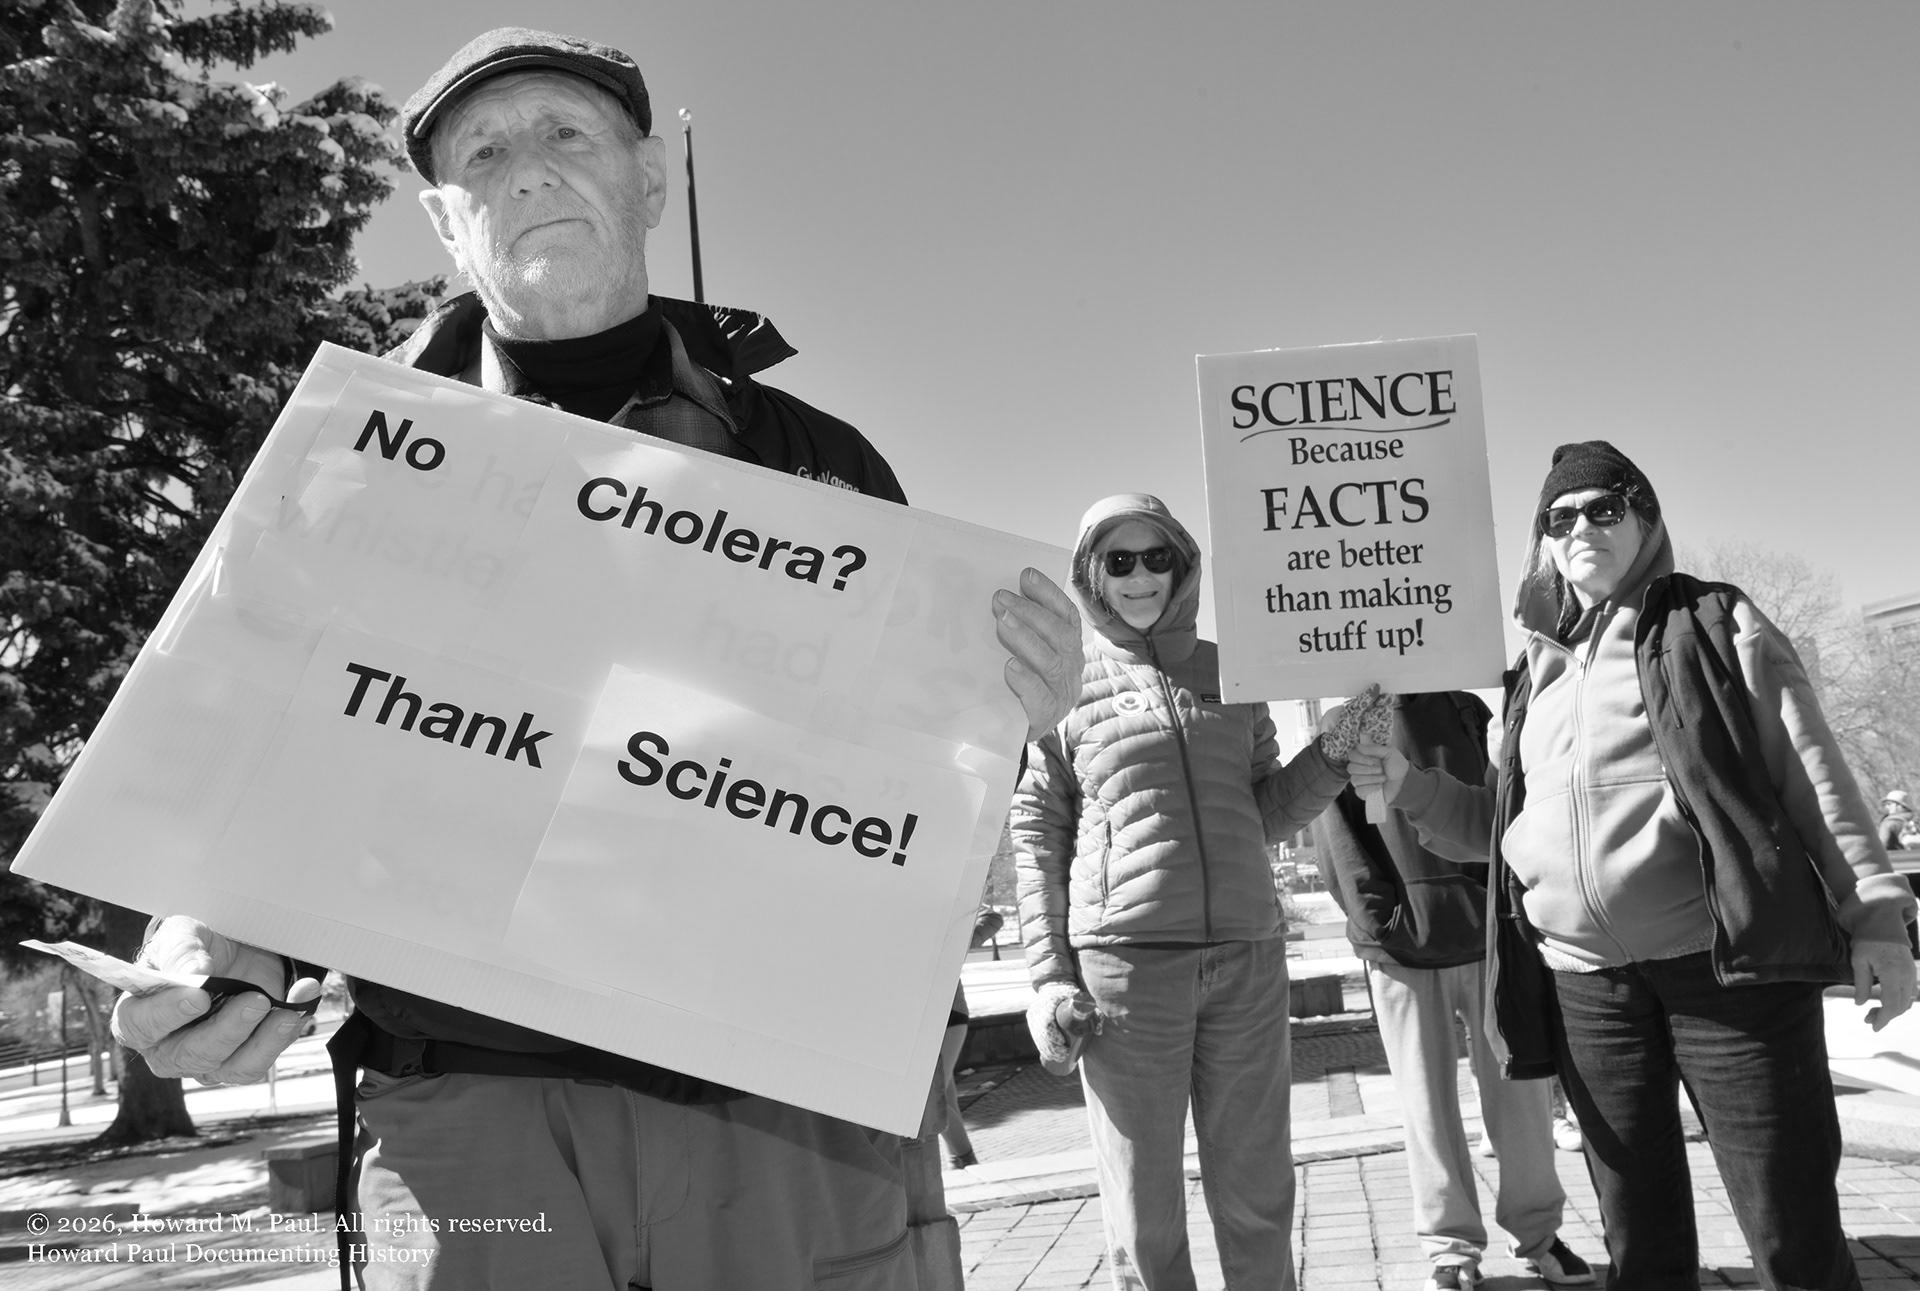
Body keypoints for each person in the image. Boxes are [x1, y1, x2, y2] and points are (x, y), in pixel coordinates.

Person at [110, 27, 1085, 1291]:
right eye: (483, 154)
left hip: (783, 1118)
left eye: (566, 135)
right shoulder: (338, 471)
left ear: (648, 181)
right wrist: (222, 942)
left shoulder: (820, 464)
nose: (527, 173)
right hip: (473, 1129)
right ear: (443, 220)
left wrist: (1007, 713)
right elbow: (268, 751)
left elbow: (900, 767)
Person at [1348, 441, 1919, 1290]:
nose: (1581, 525)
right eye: (1560, 515)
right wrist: (1410, 787)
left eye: (1604, 508)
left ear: (1645, 521)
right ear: (1543, 541)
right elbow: (1506, 829)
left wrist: (1877, 919)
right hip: (1589, 991)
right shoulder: (1530, 675)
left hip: (1729, 973)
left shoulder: (1716, 622)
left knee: (1791, 1230)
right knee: (1640, 1243)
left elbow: (1815, 775)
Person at [1010, 493, 1374, 1291]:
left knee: (1258, 1197)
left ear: (1183, 564)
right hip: (1127, 977)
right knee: (1144, 1218)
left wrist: (1337, 749)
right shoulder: (1063, 682)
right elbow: (1037, 831)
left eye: (1157, 556)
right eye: (1119, 559)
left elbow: (1267, 808)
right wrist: (1048, 975)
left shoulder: (1230, 670)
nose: (1141, 575)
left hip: (1246, 959)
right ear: (1091, 574)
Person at [1313, 692, 1592, 1291]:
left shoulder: (1469, 706)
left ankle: (1539, 1234)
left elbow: (1505, 808)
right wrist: (1380, 921)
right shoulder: (1346, 717)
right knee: (1425, 1103)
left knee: (1523, 1097)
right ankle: (1450, 1249)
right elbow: (1334, 833)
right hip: (1400, 945)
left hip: (1491, 935)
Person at [939, 902, 1004, 1169]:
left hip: (949, 1015)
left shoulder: (942, 896)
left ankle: (967, 1161)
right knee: (945, 1096)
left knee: (932, 1098)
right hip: (922, 1018)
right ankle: (959, 1162)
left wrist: (956, 946)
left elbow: (991, 916)